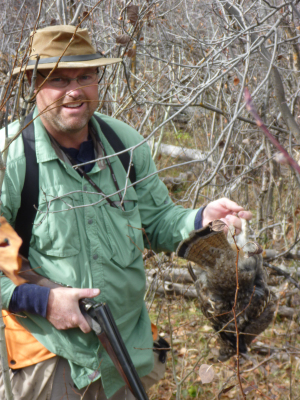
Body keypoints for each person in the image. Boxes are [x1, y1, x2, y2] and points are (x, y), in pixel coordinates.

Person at [0, 25, 252, 400]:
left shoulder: (124, 144)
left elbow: (159, 222)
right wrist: (46, 301)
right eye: (57, 79)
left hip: (125, 352)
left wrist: (201, 219)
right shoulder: (11, 157)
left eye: (84, 76)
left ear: (98, 80)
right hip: (49, 358)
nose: (74, 90)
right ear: (34, 85)